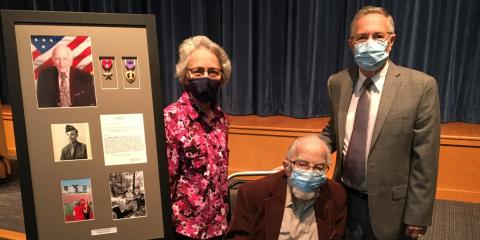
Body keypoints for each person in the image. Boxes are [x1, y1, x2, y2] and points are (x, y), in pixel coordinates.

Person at [319, 6, 440, 240]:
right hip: (344, 198)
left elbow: (425, 159)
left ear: (391, 41)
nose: (369, 42)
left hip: (392, 207)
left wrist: (418, 214)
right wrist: (308, 148)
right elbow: (335, 130)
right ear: (351, 43)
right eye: (362, 37)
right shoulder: (338, 82)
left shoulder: (421, 86)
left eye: (378, 36)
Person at [164, 35, 232, 240]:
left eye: (213, 72)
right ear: (186, 76)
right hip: (185, 231)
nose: (206, 77)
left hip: (219, 227)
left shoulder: (222, 119)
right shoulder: (171, 118)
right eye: (198, 71)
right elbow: (167, 180)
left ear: (222, 77)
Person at [226, 134, 346, 240]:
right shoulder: (253, 193)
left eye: (319, 167)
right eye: (302, 165)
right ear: (287, 167)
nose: (310, 172)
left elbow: (338, 236)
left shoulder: (336, 194)